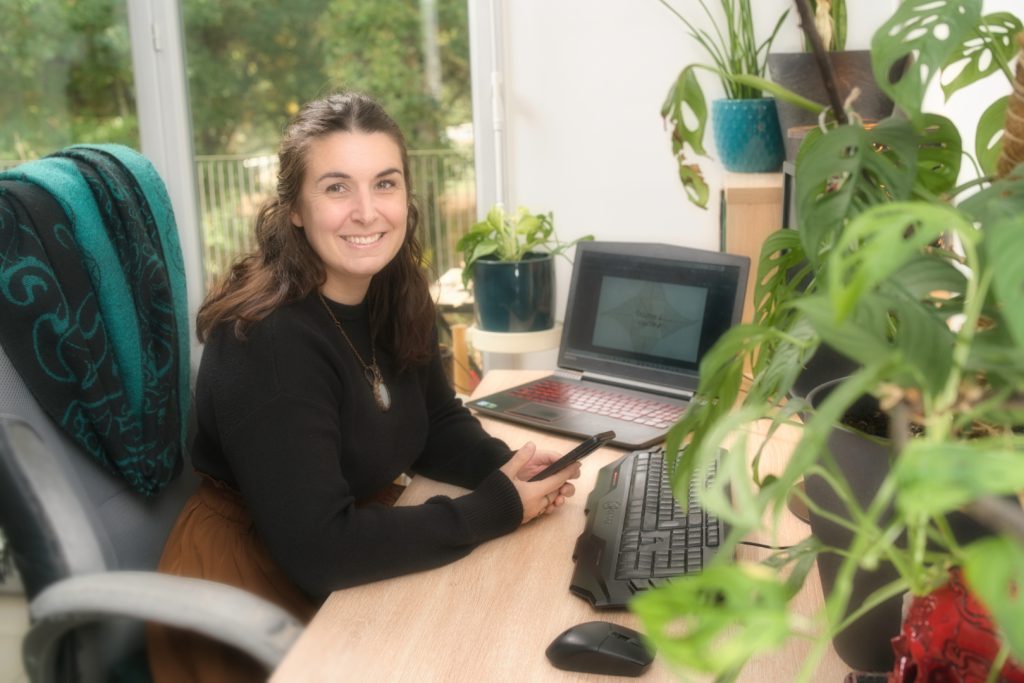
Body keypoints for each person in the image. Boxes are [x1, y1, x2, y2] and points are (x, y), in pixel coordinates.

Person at [146, 92, 580, 681]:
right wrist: (494, 508)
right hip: (247, 593)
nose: (367, 211)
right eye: (335, 187)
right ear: (295, 208)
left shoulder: (393, 290)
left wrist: (510, 471)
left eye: (384, 183)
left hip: (343, 551)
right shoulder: (268, 344)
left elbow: (437, 423)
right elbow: (321, 550)